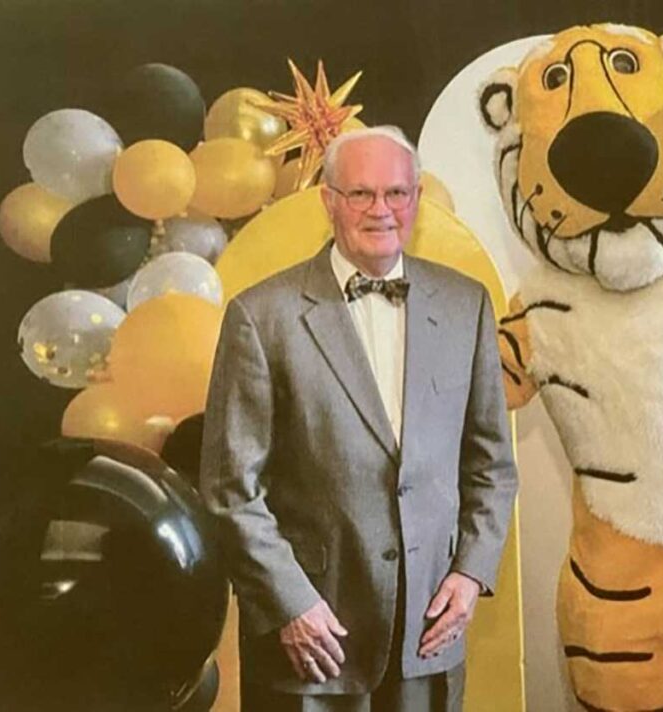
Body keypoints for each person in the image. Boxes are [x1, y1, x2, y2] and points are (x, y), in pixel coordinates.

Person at [200, 126, 518, 712]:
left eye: (397, 193)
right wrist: (291, 604)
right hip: (312, 642)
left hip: (429, 635)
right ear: (328, 200)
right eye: (361, 195)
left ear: (417, 198)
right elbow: (229, 490)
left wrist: (470, 574)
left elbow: (491, 466)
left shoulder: (466, 303)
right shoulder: (260, 316)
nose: (381, 210)